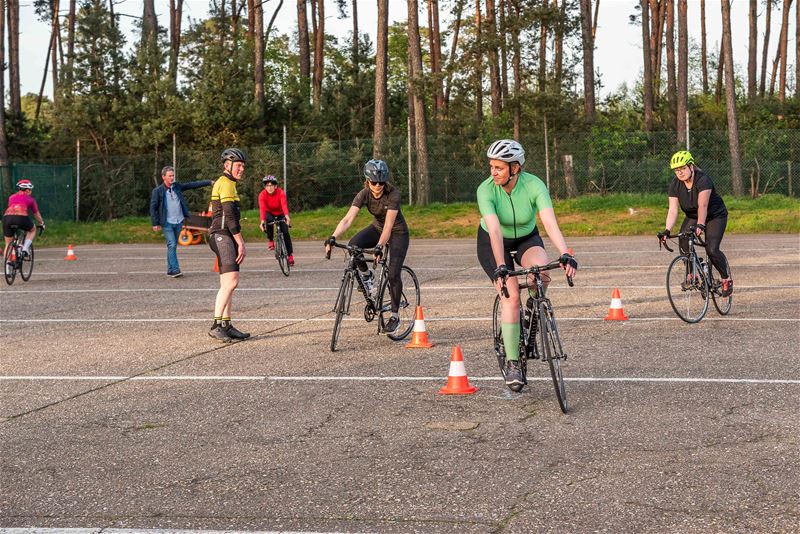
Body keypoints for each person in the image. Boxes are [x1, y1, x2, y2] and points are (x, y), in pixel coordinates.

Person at [476, 139, 577, 389]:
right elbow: (495, 231)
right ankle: (513, 362)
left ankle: (533, 308)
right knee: (510, 295)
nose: (493, 172)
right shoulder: (485, 190)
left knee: (541, 274)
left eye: (499, 167)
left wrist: (565, 253)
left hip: (526, 237)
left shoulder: (534, 185)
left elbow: (549, 221)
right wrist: (501, 266)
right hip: (492, 240)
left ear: (515, 168)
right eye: (491, 166)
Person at [324, 159, 409, 335]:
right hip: (377, 228)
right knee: (353, 246)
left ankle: (395, 316)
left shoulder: (393, 194)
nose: (377, 186)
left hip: (397, 232)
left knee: (393, 274)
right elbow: (348, 219)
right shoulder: (363, 194)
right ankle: (367, 277)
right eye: (374, 182)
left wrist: (379, 246)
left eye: (381, 182)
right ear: (367, 181)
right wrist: (333, 237)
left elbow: (389, 225)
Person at [659, 150, 732, 296]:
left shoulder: (703, 180)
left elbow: (703, 206)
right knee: (684, 240)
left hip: (714, 215)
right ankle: (693, 275)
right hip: (692, 215)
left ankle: (726, 279)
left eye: (683, 168)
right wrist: (667, 230)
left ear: (691, 167)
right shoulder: (675, 185)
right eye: (676, 170)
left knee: (711, 249)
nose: (680, 173)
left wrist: (700, 225)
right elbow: (673, 210)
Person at [207, 148, 250, 342]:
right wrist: (240, 242)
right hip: (222, 235)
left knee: (228, 283)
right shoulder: (225, 183)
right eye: (238, 165)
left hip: (225, 235)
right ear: (227, 165)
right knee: (231, 282)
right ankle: (216, 325)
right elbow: (229, 217)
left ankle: (226, 324)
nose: (241, 169)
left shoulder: (228, 183)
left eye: (243, 166)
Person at [149, 166, 212, 277]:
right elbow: (153, 208)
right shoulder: (157, 191)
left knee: (172, 246)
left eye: (173, 175)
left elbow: (192, 184)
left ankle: (170, 269)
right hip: (167, 222)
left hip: (179, 221)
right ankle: (175, 270)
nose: (172, 177)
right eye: (170, 176)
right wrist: (155, 223)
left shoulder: (177, 186)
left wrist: (209, 182)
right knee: (172, 244)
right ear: (163, 177)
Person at [3, 179, 45, 262]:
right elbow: (36, 214)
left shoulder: (11, 197)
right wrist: (41, 223)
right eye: (30, 190)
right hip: (21, 217)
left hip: (6, 218)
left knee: (8, 244)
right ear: (27, 190)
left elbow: (12, 209)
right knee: (32, 230)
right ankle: (25, 249)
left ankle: (8, 267)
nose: (31, 192)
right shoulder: (30, 199)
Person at [258, 175, 294, 266]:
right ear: (265, 187)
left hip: (281, 213)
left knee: (285, 232)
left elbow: (284, 205)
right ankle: (270, 240)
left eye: (271, 185)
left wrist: (286, 216)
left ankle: (289, 255)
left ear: (275, 186)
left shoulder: (281, 193)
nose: (269, 188)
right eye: (267, 186)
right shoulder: (262, 195)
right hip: (269, 212)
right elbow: (262, 209)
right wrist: (262, 221)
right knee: (268, 220)